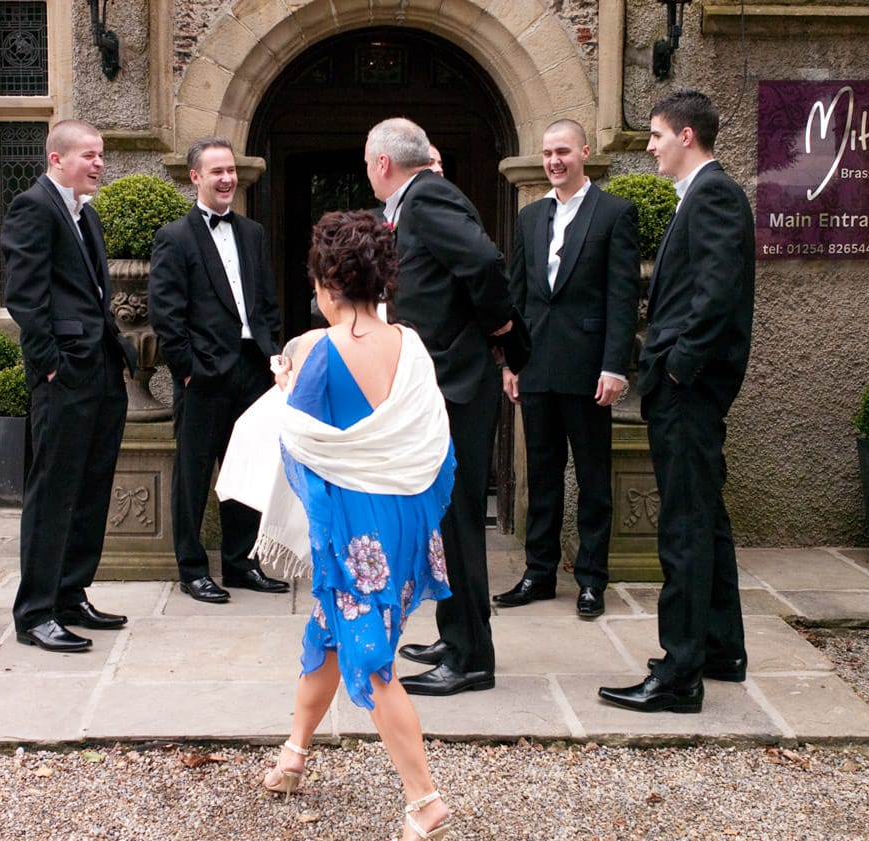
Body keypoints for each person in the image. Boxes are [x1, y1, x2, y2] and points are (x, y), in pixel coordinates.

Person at [263, 210, 456, 841]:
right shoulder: (411, 344)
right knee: (329, 629)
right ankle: (294, 755)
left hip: (355, 524)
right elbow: (435, 442)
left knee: (370, 656)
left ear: (327, 281)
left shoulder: (318, 350)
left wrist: (286, 386)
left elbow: (299, 437)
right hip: (403, 517)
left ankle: (424, 799)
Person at [598, 90, 755, 714]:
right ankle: (721, 648)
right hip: (687, 390)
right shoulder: (701, 195)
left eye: (658, 134)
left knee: (684, 528)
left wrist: (676, 370)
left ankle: (679, 675)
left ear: (687, 135)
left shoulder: (714, 195)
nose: (651, 145)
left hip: (689, 392)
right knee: (705, 517)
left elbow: (715, 296)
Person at [365, 117, 517, 697]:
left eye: (368, 162)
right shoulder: (413, 203)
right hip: (439, 384)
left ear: (383, 163)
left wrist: (499, 327)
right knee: (440, 523)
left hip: (457, 385)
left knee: (456, 525)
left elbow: (483, 263)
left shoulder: (427, 197)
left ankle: (472, 657)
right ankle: (456, 635)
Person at [1, 119, 138, 653]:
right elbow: (24, 296)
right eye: (89, 155)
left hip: (100, 370)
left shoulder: (86, 213)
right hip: (65, 376)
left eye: (101, 155)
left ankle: (70, 594)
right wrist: (50, 365)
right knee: (54, 493)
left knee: (90, 488)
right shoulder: (33, 207)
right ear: (57, 159)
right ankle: (35, 614)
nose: (99, 163)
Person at [497, 119, 640, 619]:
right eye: (547, 153)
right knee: (542, 477)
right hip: (536, 365)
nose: (554, 161)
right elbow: (517, 294)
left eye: (562, 151)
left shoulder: (615, 213)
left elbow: (623, 297)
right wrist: (510, 362)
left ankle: (592, 580)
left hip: (588, 368)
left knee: (594, 480)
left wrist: (615, 366)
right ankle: (538, 573)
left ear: (584, 152)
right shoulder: (530, 217)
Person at [148, 137, 289, 603]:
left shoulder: (252, 232)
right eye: (217, 172)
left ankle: (241, 564)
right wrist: (187, 370)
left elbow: (266, 302)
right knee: (193, 477)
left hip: (253, 371)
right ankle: (192, 570)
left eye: (231, 170)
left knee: (246, 471)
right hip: (204, 375)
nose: (228, 178)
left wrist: (271, 353)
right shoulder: (174, 237)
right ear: (195, 177)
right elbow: (166, 314)